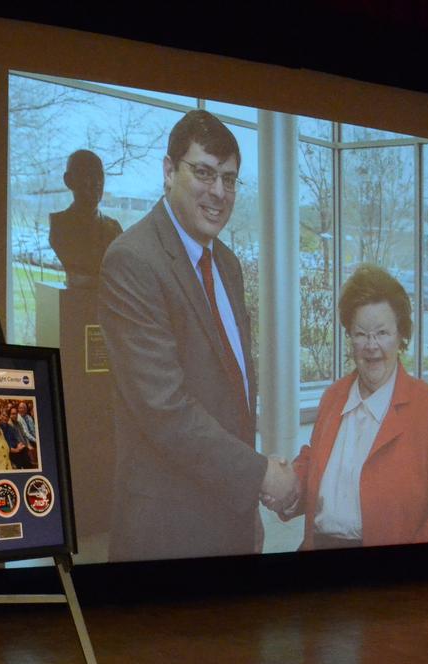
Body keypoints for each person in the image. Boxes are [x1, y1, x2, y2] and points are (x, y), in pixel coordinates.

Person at [98, 109, 297, 562]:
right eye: (204, 173)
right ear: (169, 171)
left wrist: (248, 501)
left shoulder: (225, 263)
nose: (219, 193)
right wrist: (262, 475)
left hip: (231, 518)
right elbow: (165, 408)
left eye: (229, 179)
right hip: (169, 532)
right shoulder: (132, 260)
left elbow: (231, 392)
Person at [278, 264, 428, 549]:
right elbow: (317, 459)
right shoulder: (333, 396)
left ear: (401, 336)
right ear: (350, 338)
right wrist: (286, 482)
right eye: (360, 334)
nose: (371, 346)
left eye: (382, 333)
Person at [49, 150, 123, 289]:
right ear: (69, 180)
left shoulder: (114, 229)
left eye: (100, 176)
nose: (97, 182)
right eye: (88, 175)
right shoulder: (59, 226)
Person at [14, 400, 38, 466]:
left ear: (26, 409)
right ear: (18, 409)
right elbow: (26, 433)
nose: (22, 409)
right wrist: (36, 440)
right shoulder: (18, 418)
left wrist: (37, 438)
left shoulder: (28, 417)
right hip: (26, 441)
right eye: (20, 408)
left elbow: (33, 430)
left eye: (23, 408)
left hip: (32, 439)